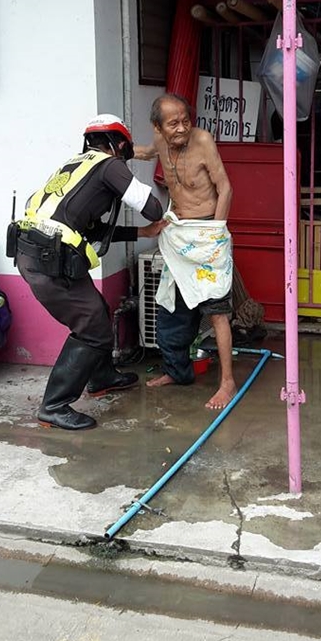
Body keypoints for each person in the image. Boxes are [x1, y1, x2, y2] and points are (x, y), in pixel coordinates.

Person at [12, 114, 165, 431]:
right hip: (50, 260)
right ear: (120, 144)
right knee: (92, 329)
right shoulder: (110, 166)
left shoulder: (78, 166)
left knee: (97, 310)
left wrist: (142, 233)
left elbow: (93, 229)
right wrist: (145, 201)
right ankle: (54, 405)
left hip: (40, 253)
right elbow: (153, 208)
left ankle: (102, 376)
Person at [134, 93, 236, 411]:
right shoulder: (160, 141)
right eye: (173, 123)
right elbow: (144, 151)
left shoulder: (203, 140)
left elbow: (225, 187)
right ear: (158, 126)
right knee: (171, 307)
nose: (181, 128)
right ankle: (176, 372)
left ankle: (227, 383)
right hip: (178, 237)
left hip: (208, 234)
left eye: (185, 120)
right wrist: (107, 149)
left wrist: (216, 234)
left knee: (216, 311)